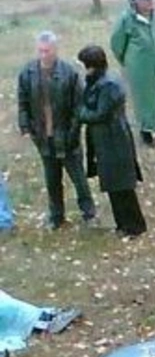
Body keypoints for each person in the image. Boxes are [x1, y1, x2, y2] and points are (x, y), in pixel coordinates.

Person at [16, 31, 97, 229]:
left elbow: (78, 106)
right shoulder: (28, 73)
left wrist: (73, 131)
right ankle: (56, 216)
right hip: (43, 136)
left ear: (55, 50)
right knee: (52, 179)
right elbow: (23, 102)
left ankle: (89, 213)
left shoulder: (69, 73)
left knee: (78, 177)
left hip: (67, 135)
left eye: (47, 51)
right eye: (41, 51)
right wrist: (26, 126)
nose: (43, 55)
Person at [77, 45, 147, 238]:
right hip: (106, 141)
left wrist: (80, 113)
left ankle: (133, 225)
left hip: (114, 141)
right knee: (114, 186)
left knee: (122, 187)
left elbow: (99, 113)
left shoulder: (108, 85)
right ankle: (122, 225)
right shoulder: (99, 81)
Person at [111, 0, 155, 145]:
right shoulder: (126, 19)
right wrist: (130, 61)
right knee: (145, 98)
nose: (150, 2)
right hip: (140, 68)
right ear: (136, 0)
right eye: (146, 0)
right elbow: (117, 44)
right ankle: (147, 130)